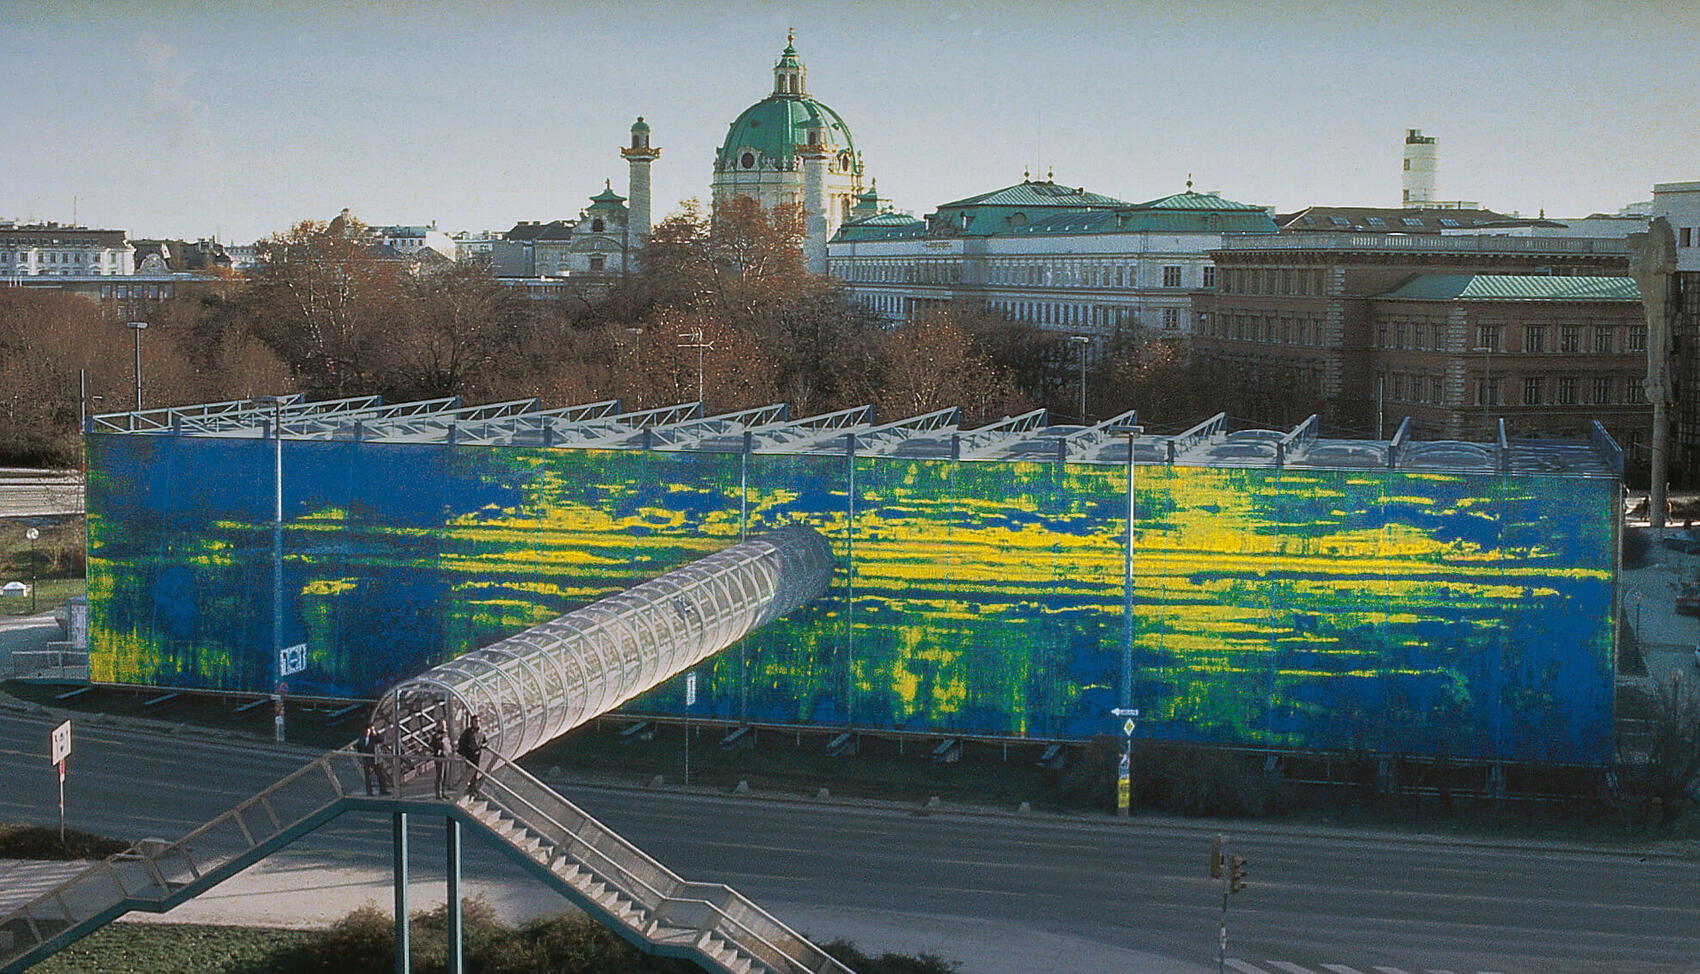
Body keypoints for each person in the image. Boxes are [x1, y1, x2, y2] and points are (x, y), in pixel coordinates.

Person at [457, 713, 486, 798]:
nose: (477, 723)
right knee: (469, 772)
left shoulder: (481, 732)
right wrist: (468, 749)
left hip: (477, 755)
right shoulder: (468, 732)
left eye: (478, 721)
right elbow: (461, 742)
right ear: (472, 722)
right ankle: (470, 788)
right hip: (469, 755)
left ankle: (473, 789)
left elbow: (485, 741)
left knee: (475, 772)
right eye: (475, 721)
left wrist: (482, 745)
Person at [356, 723, 385, 795]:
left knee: (380, 775)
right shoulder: (362, 737)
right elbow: (360, 746)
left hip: (375, 758)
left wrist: (375, 733)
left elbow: (381, 739)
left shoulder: (374, 737)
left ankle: (383, 790)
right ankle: (369, 792)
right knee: (368, 777)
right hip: (367, 758)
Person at [429, 718, 449, 799]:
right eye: (442, 725)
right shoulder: (436, 735)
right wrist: (440, 742)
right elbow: (433, 745)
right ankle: (438, 793)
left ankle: (443, 792)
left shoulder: (446, 734)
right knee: (440, 775)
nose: (444, 727)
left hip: (446, 756)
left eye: (444, 725)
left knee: (445, 775)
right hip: (439, 757)